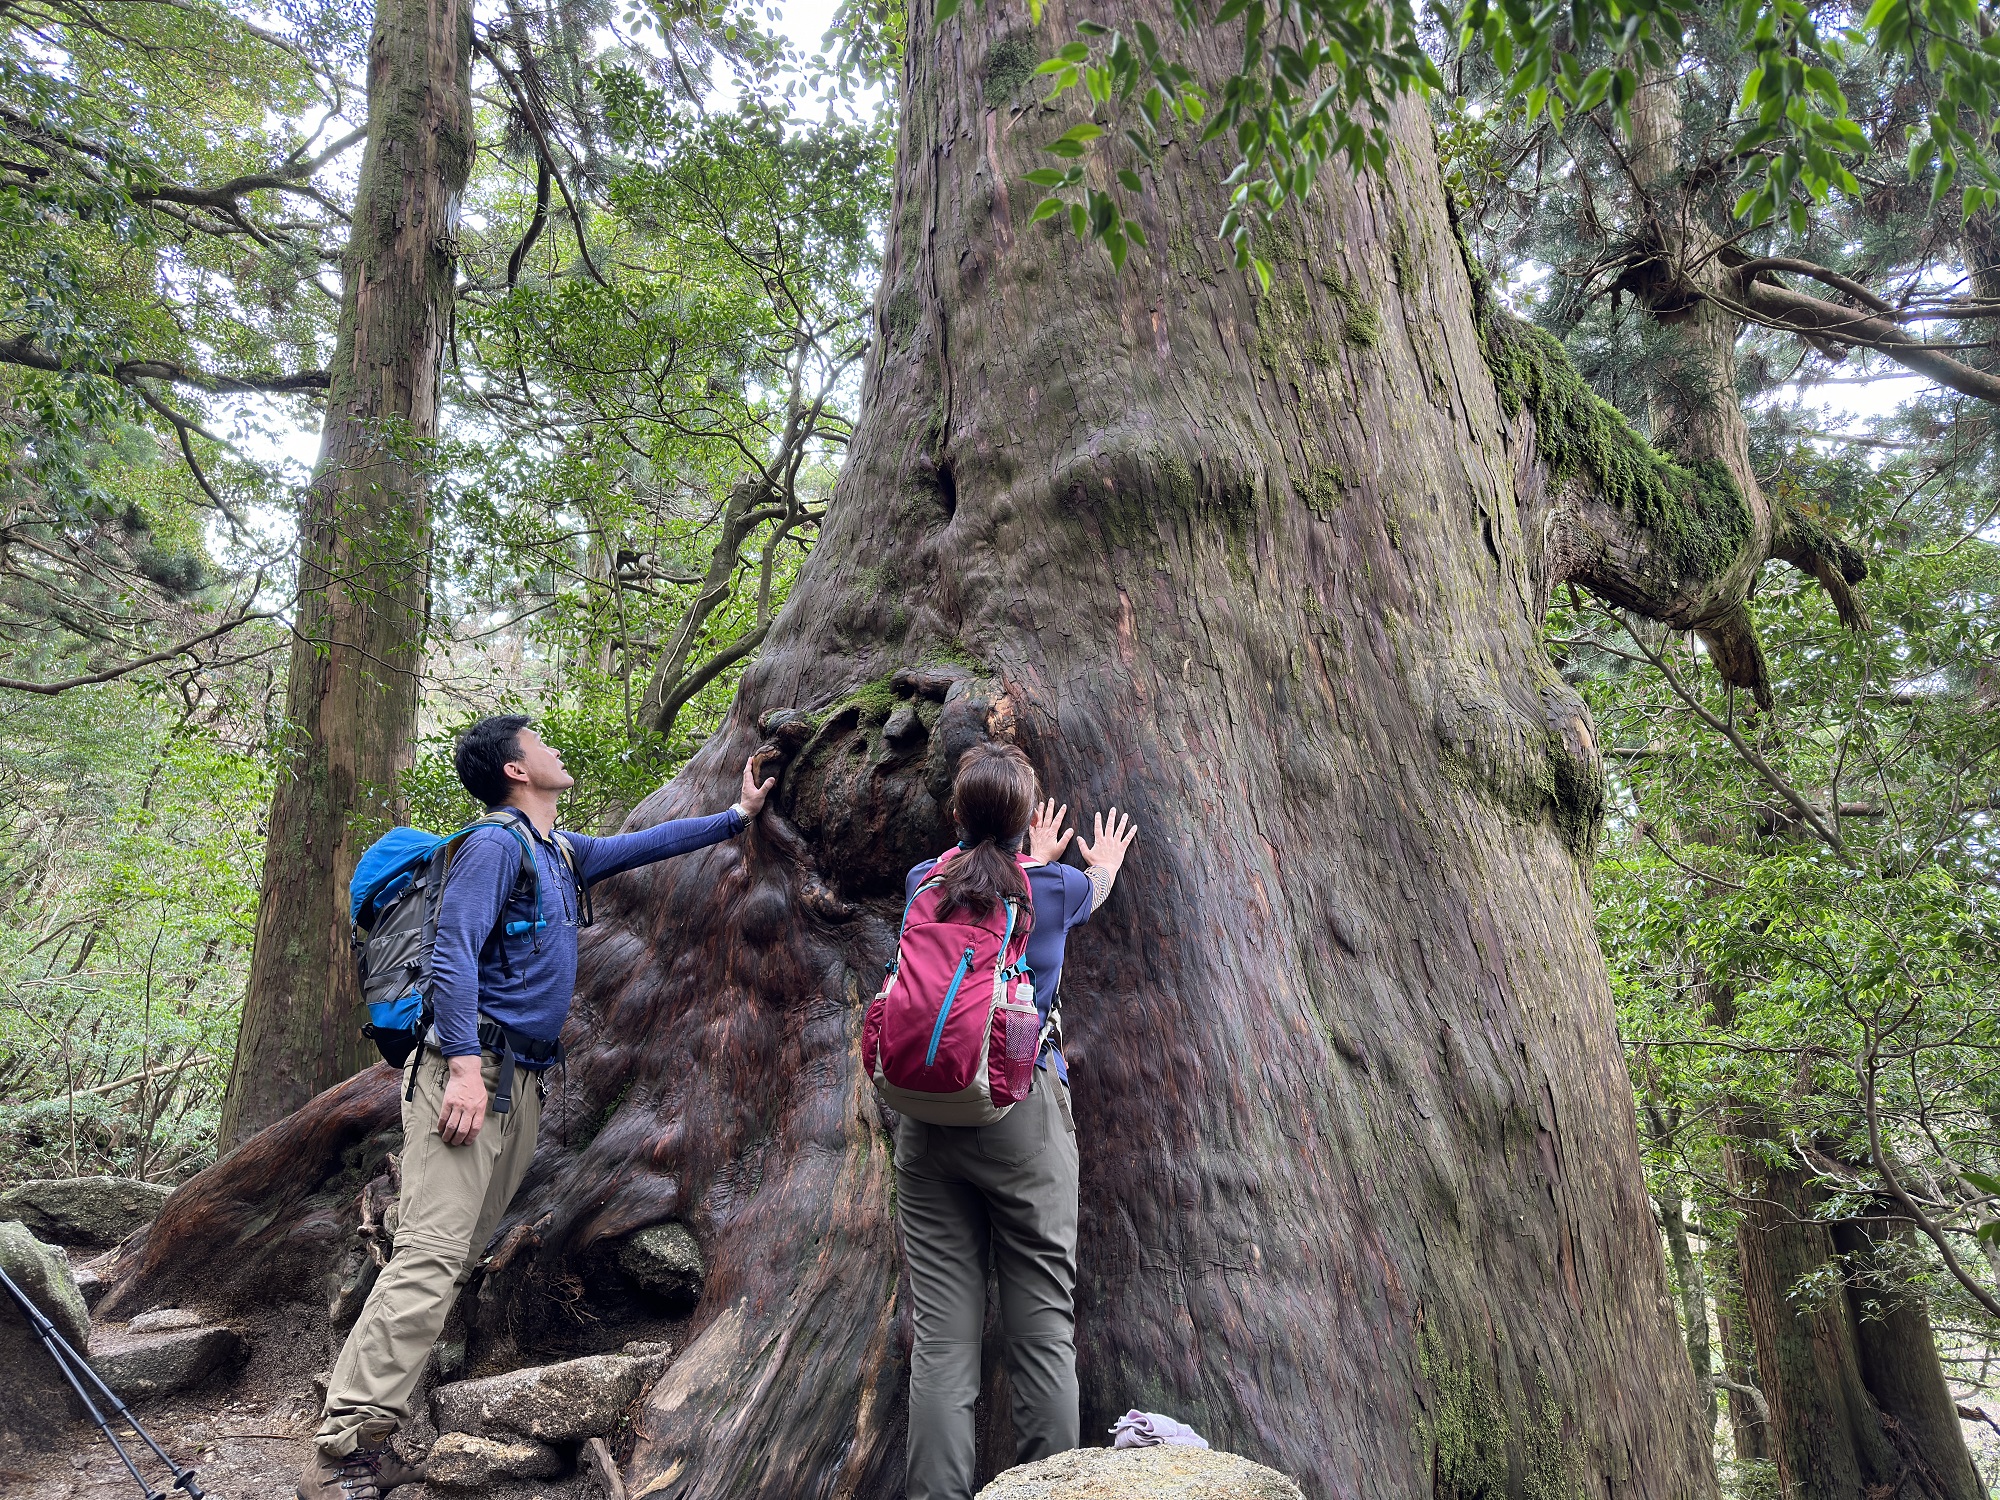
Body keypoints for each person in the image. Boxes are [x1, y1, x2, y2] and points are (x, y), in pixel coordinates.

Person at [298, 716, 774, 1500]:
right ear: (517, 770)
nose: (555, 748)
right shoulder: (493, 844)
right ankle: (349, 1443)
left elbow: (639, 848)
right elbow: (452, 948)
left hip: (519, 1079)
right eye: (541, 742)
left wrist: (737, 816)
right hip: (472, 1070)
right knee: (430, 1255)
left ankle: (368, 1427)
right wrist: (460, 1068)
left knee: (448, 1255)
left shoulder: (555, 850)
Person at [895, 742, 1137, 1500]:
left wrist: (1010, 844)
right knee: (1040, 1335)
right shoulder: (1056, 889)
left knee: (941, 1342)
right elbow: (1090, 888)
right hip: (1021, 1111)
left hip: (926, 1119)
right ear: (1029, 818)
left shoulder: (920, 881)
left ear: (956, 816)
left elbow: (976, 875)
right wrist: (1098, 861)